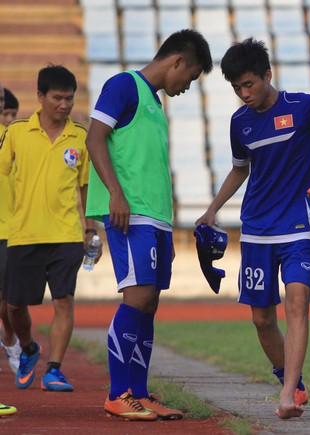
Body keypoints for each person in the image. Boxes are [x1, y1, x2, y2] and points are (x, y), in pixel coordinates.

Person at [196, 37, 310, 420]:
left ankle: (286, 395)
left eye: (249, 84)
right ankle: (292, 381)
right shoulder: (239, 122)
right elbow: (239, 168)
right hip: (256, 231)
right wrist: (212, 209)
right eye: (236, 88)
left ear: (267, 75)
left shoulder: (303, 107)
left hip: (299, 226)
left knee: (297, 302)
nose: (243, 94)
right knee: (262, 318)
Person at [85, 29, 213, 422]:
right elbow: (94, 138)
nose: (187, 87)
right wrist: (115, 195)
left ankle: (139, 393)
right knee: (136, 299)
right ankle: (117, 393)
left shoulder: (154, 103)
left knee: (150, 304)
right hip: (131, 212)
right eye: (189, 78)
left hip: (156, 218)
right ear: (177, 61)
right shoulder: (124, 85)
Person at [0, 65, 101, 392]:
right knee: (13, 307)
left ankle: (55, 369)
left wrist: (90, 229)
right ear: (40, 97)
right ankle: (29, 348)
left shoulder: (81, 137)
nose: (64, 105)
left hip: (66, 235)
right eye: (57, 98)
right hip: (24, 233)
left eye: (69, 99)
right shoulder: (15, 132)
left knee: (64, 301)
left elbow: (86, 185)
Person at [0, 83, 21, 374]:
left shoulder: (16, 140)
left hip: (9, 228)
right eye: (6, 114)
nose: (9, 119)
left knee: (7, 299)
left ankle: (10, 338)